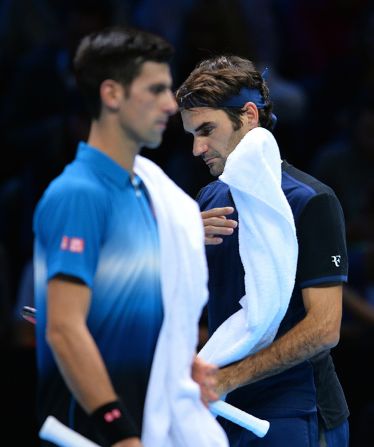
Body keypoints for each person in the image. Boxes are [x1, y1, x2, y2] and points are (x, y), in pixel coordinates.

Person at [33, 26, 229, 447]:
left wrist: (181, 360)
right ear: (112, 94)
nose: (170, 104)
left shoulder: (151, 196)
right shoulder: (78, 194)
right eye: (156, 89)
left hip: (147, 425)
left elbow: (132, 312)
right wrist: (120, 432)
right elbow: (63, 330)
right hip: (98, 431)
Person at [176, 55, 349, 446]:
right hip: (220, 411)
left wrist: (230, 377)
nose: (197, 148)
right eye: (191, 135)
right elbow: (202, 315)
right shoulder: (207, 198)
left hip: (295, 412)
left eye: (206, 130)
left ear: (249, 116)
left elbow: (325, 329)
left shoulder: (312, 200)